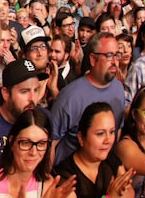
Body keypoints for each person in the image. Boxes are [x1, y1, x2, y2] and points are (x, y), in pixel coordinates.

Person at [50, 103, 135, 198]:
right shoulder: (66, 174)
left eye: (112, 132)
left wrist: (119, 193)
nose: (108, 140)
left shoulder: (110, 160)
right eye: (100, 134)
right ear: (81, 138)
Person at [51, 32, 127, 164]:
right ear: (92, 59)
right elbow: (50, 145)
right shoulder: (70, 96)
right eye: (109, 56)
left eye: (117, 55)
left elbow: (117, 132)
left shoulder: (119, 89)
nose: (115, 61)